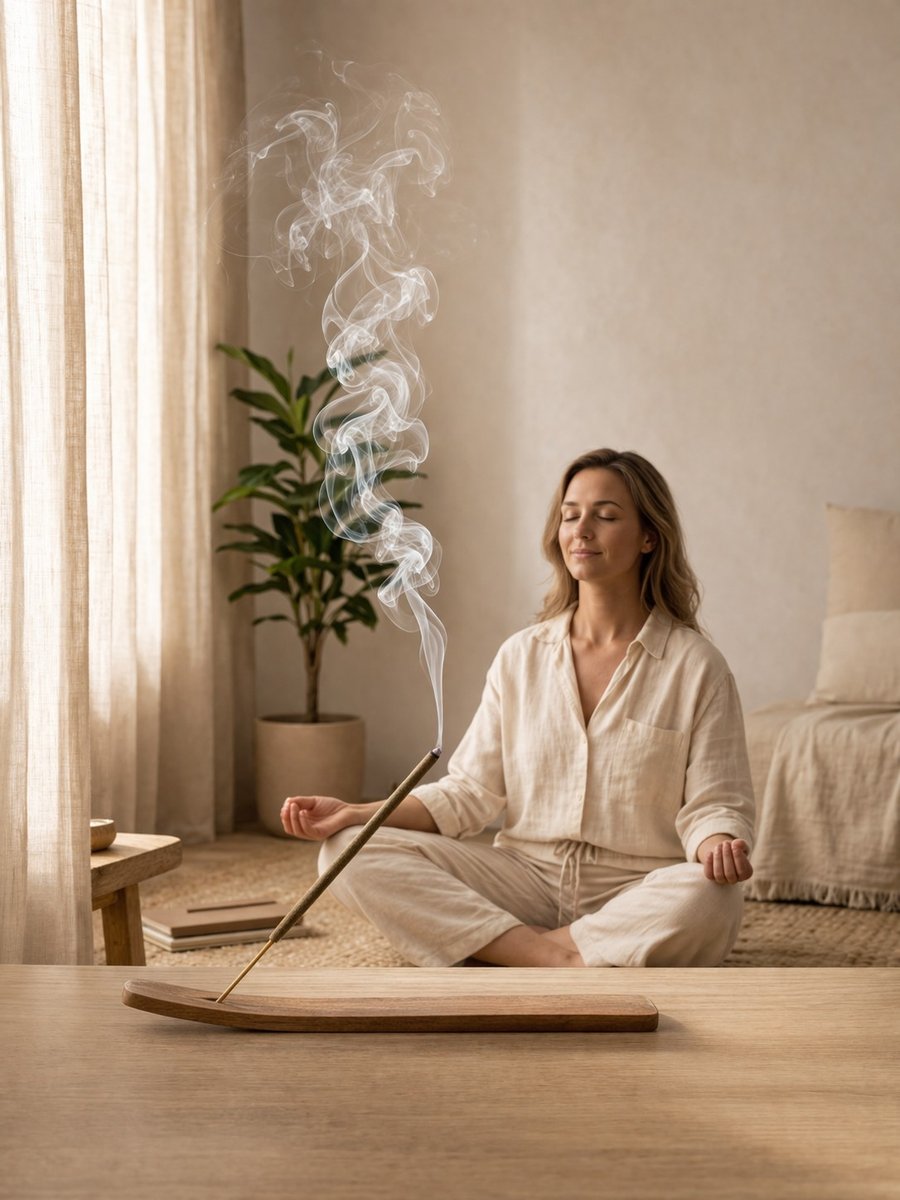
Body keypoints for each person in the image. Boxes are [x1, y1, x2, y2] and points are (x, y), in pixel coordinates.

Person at [281, 448, 755, 968]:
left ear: (649, 537)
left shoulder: (697, 666)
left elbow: (715, 801)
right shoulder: (521, 656)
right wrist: (356, 814)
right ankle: (558, 958)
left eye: (607, 515)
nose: (582, 530)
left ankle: (509, 949)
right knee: (346, 852)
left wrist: (717, 843)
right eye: (570, 515)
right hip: (523, 877)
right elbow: (468, 794)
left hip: (635, 887)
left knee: (712, 894)